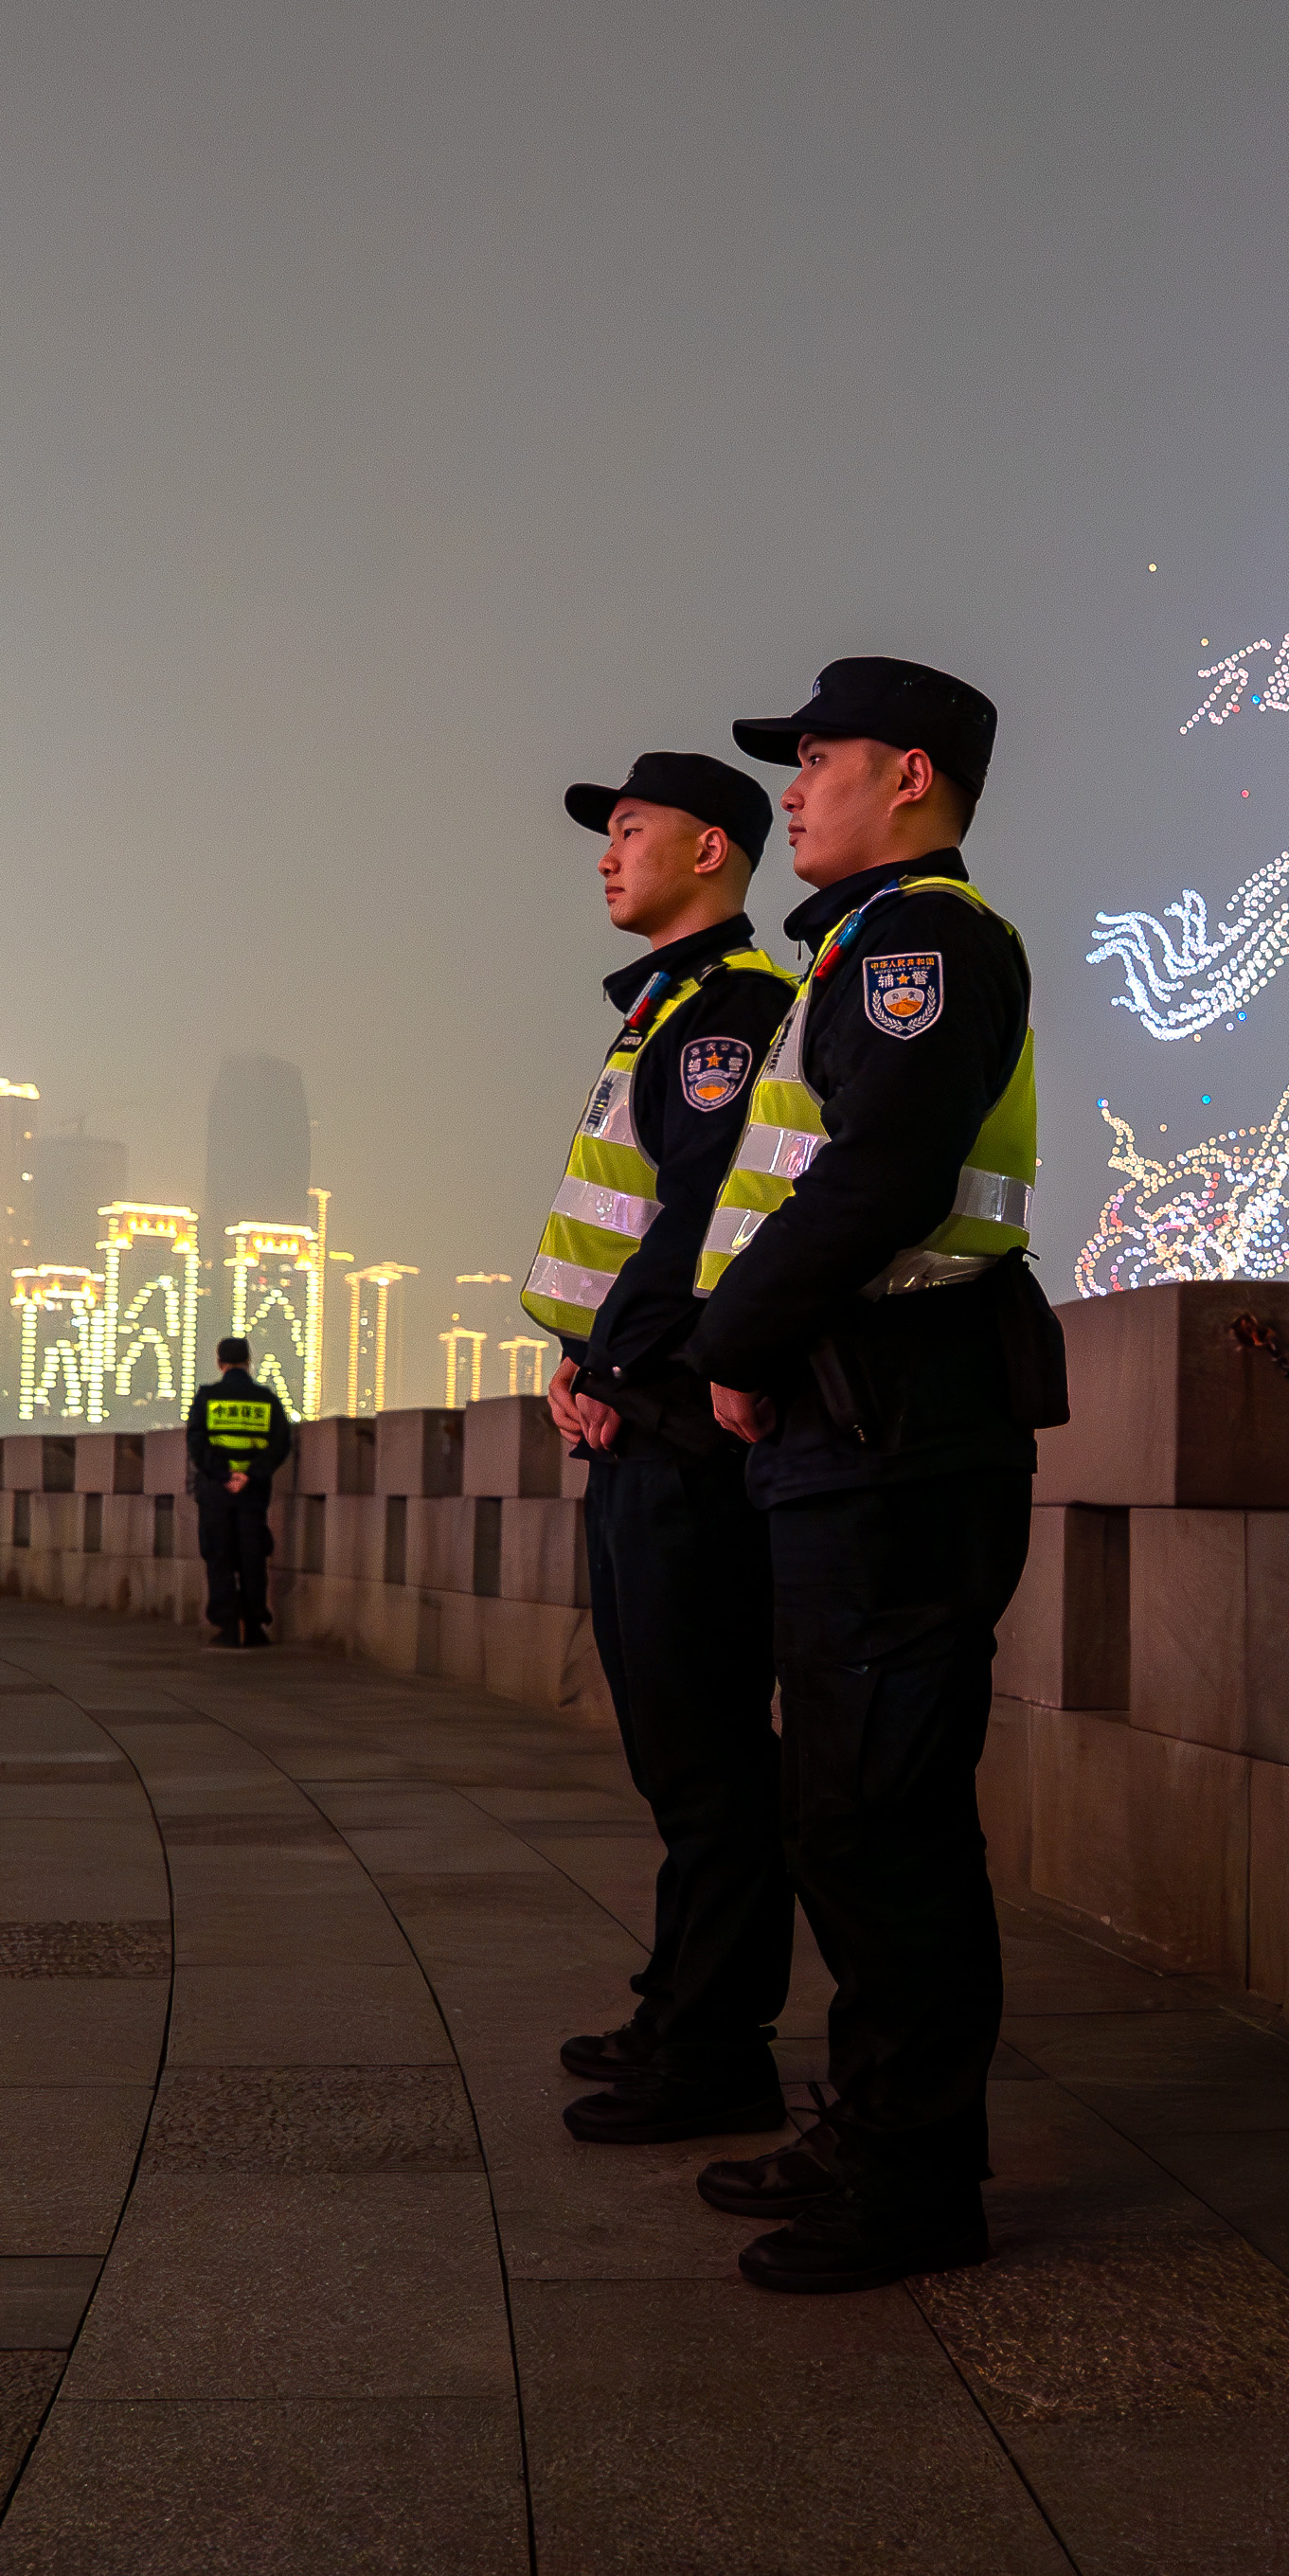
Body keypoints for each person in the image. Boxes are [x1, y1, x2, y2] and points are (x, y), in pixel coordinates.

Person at [678, 657, 1055, 2294]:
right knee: (847, 1804)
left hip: (902, 1422)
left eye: (817, 756)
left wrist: (730, 1340)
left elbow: (885, 1171)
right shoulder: (862, 945)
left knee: (879, 1810)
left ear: (908, 775)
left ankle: (912, 2177)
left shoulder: (923, 943)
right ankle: (872, 2129)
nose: (793, 786)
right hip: (861, 1422)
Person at [522, 751, 798, 2145]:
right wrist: (582, 1354)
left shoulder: (731, 1009)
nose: (605, 853)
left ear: (708, 852)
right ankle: (679, 2003)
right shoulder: (667, 1011)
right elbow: (633, 1223)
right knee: (671, 1750)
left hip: (685, 1432)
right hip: (635, 1413)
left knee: (708, 1755)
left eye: (631, 831)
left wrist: (621, 1365)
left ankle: (718, 2047)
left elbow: (707, 1217)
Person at [183, 1336, 295, 1648]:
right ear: (248, 1362)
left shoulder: (207, 1398)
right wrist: (249, 1474)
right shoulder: (266, 1400)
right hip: (253, 1492)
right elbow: (280, 1444)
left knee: (219, 1556)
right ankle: (255, 1626)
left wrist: (223, 1474)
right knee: (252, 1557)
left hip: (216, 1491)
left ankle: (228, 1627)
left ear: (220, 1364)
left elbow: (196, 1443)